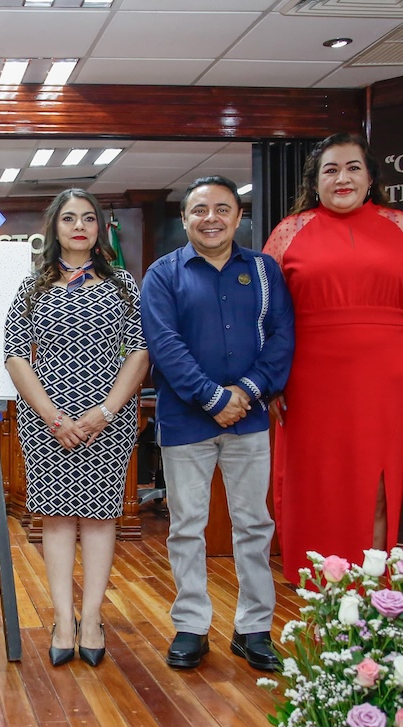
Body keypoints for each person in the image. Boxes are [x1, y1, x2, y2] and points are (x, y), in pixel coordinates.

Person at [262, 132, 403, 584]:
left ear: (370, 177)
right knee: (314, 483)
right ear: (315, 181)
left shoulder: (402, 226)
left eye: (353, 168)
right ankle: (318, 585)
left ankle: (371, 583)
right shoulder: (289, 231)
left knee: (377, 482)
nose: (343, 178)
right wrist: (271, 380)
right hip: (307, 375)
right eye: (331, 169)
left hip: (385, 374)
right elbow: (265, 314)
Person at [140, 176, 294, 671]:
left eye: (222, 209)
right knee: (187, 526)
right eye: (200, 210)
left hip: (248, 421)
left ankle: (253, 629)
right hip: (186, 421)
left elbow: (281, 339)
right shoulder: (164, 274)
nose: (212, 218)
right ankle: (191, 626)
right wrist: (211, 397)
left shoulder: (265, 271)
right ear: (185, 218)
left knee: (254, 525)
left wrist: (246, 392)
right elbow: (164, 345)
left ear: (238, 215)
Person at [4, 188, 149, 668]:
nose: (79, 226)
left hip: (109, 418)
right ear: (55, 228)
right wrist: (52, 416)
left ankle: (91, 619)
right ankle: (63, 620)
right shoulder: (32, 286)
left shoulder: (124, 284)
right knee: (58, 518)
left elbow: (139, 352)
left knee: (100, 517)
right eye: (69, 218)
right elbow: (15, 355)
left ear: (100, 228)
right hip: (46, 419)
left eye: (88, 218)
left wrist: (103, 412)